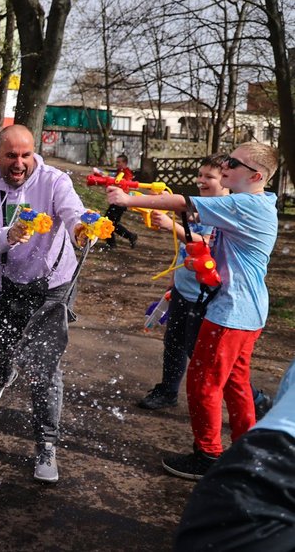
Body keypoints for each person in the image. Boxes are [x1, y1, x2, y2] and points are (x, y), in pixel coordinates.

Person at [106, 141, 279, 480]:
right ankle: (246, 453)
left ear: (256, 175)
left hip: (231, 312)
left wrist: (128, 200)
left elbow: (182, 202)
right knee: (235, 384)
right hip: (248, 311)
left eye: (233, 162)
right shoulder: (258, 203)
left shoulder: (245, 204)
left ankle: (208, 456)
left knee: (203, 384)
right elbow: (204, 240)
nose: (225, 165)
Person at [0, 124, 88, 483]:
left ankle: (46, 444)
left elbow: (73, 213)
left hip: (54, 285)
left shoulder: (54, 181)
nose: (20, 163)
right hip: (10, 283)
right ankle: (3, 374)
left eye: (26, 155)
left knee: (44, 366)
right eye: (11, 156)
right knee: (0, 345)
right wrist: (9, 235)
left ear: (34, 152)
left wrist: (82, 229)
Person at [137, 154, 272, 419]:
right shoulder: (199, 207)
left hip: (205, 298)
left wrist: (170, 225)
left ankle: (254, 400)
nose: (201, 181)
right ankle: (167, 390)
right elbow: (184, 253)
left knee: (200, 355)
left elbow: (204, 243)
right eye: (200, 175)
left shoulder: (223, 210)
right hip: (183, 289)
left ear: (225, 181)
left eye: (209, 177)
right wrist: (172, 283)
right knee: (173, 342)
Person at [175, 357, 295, 549]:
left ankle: (208, 452)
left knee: (209, 376)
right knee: (231, 374)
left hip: (273, 461)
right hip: (269, 460)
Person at [103, 154, 138, 249]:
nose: (117, 164)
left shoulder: (127, 173)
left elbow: (125, 186)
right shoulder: (120, 171)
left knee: (108, 221)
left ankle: (113, 244)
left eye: (119, 162)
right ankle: (129, 236)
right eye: (117, 162)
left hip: (121, 201)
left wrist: (115, 186)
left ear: (125, 163)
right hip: (117, 200)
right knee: (112, 223)